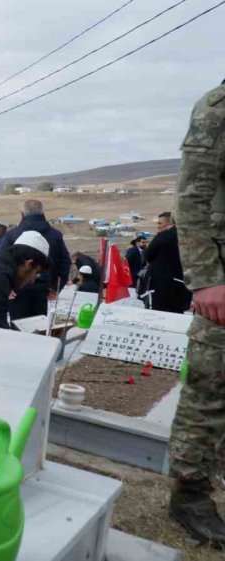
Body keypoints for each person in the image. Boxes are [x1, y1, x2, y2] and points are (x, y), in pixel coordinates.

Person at [165, 78, 225, 547]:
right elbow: (192, 196)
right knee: (210, 385)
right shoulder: (217, 109)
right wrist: (206, 278)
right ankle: (189, 493)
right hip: (222, 277)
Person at [0, 199, 71, 320]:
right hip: (44, 290)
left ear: (23, 214)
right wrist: (56, 287)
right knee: (39, 327)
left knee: (18, 328)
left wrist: (6, 287)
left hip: (17, 290)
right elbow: (65, 262)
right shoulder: (55, 235)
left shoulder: (12, 235)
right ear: (42, 214)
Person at [145, 212, 192, 313]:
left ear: (170, 222)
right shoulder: (188, 236)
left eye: (160, 223)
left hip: (161, 283)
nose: (158, 227)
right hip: (182, 281)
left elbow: (148, 255)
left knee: (159, 313)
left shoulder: (163, 236)